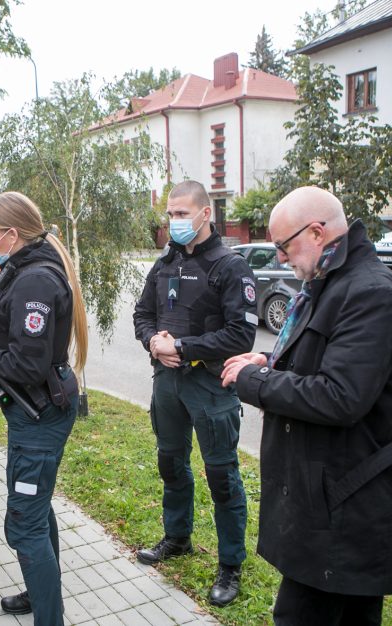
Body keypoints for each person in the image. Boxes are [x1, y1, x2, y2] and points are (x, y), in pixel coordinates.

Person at [220, 186, 392, 625]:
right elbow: (322, 358)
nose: (279, 257)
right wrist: (271, 360)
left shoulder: (370, 292)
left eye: (283, 245)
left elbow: (340, 396)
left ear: (317, 232)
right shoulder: (332, 281)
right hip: (334, 497)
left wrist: (255, 381)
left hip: (351, 506)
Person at [0, 191, 87, 625]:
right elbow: (27, 342)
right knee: (37, 508)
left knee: (25, 524)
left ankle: (50, 616)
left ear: (12, 234)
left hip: (40, 412)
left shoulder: (34, 279)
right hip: (33, 411)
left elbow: (29, 364)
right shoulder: (26, 267)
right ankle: (41, 594)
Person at [132, 180, 257, 607]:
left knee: (222, 477)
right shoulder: (165, 263)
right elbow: (142, 314)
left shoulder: (230, 266)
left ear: (206, 214)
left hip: (211, 386)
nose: (175, 221)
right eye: (171, 214)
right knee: (171, 464)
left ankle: (230, 565)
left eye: (183, 214)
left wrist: (182, 348)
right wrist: (153, 342)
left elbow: (241, 333)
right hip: (167, 385)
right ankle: (178, 537)